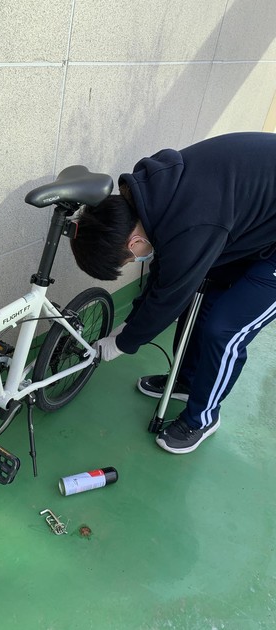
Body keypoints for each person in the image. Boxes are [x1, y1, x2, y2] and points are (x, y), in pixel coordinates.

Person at [70, 132, 276, 454]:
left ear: (134, 243)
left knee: (224, 328)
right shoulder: (151, 197)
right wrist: (131, 324)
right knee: (203, 295)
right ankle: (187, 380)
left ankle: (203, 418)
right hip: (258, 219)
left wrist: (124, 342)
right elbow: (165, 275)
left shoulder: (191, 225)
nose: (136, 260)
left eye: (129, 260)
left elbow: (170, 296)